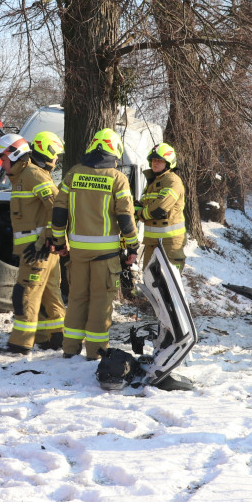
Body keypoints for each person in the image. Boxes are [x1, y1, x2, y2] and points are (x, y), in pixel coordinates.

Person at [49, 128, 139, 360]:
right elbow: (126, 218)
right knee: (100, 300)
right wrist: (133, 247)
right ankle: (96, 352)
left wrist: (60, 242)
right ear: (114, 151)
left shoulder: (73, 174)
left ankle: (70, 348)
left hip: (78, 252)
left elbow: (58, 212)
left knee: (77, 297)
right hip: (106, 255)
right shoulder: (117, 178)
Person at [0, 131, 66, 355]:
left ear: (14, 155)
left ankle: (19, 345)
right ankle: (54, 338)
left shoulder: (32, 175)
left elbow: (58, 207)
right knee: (48, 295)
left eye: (2, 159)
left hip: (38, 250)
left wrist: (46, 239)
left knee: (24, 294)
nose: (0, 164)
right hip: (38, 249)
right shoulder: (24, 177)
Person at [137, 142, 186, 273]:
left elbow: (160, 208)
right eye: (153, 160)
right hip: (151, 241)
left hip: (169, 242)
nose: (155, 163)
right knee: (149, 279)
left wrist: (140, 214)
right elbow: (145, 204)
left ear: (168, 163)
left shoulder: (172, 180)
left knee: (168, 283)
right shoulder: (153, 182)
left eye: (159, 160)